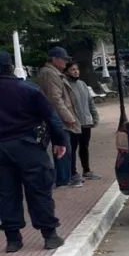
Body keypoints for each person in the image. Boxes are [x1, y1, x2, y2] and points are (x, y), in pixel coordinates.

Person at [0, 51, 68, 252]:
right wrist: (59, 141)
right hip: (28, 146)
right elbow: (50, 116)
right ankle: (50, 235)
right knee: (39, 189)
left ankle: (13, 239)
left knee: (5, 193)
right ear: (11, 67)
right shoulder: (28, 89)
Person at [36, 47, 82, 188]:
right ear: (55, 59)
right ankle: (62, 179)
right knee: (63, 147)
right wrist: (68, 117)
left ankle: (64, 177)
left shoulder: (54, 73)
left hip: (56, 116)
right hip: (56, 118)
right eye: (64, 59)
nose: (66, 62)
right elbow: (55, 99)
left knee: (62, 147)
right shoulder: (50, 74)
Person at [64, 62, 102, 181]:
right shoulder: (65, 86)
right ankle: (73, 173)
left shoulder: (82, 84)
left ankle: (87, 170)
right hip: (74, 123)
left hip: (86, 122)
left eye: (77, 69)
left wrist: (94, 117)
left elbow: (90, 102)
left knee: (84, 147)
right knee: (73, 148)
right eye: (72, 70)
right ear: (66, 72)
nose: (76, 71)